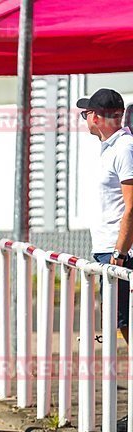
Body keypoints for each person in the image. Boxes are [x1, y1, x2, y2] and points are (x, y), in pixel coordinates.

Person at [78, 88, 133, 342]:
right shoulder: (111, 147)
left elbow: (132, 206)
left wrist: (119, 253)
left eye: (85, 113)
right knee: (119, 322)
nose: (84, 118)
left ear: (97, 117)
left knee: (124, 322)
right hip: (109, 249)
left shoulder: (124, 148)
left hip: (121, 252)